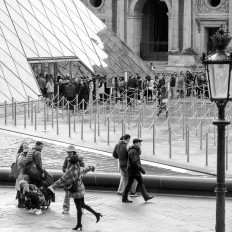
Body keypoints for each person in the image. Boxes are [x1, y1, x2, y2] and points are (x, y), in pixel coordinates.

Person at [48, 156, 102, 231]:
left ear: (70, 162)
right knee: (82, 205)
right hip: (81, 188)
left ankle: (79, 224)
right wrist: (93, 167)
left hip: (76, 191)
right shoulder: (79, 168)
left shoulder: (70, 172)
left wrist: (52, 186)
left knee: (78, 208)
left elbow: (62, 180)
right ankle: (96, 214)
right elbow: (87, 168)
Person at [122, 139, 154, 203]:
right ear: (136, 143)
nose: (140, 144)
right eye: (139, 143)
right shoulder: (133, 151)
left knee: (141, 182)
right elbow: (135, 162)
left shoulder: (135, 150)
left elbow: (136, 162)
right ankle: (124, 198)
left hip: (135, 170)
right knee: (129, 184)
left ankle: (146, 197)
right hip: (133, 170)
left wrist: (139, 169)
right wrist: (141, 169)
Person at [62, 145, 85, 214]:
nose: (69, 154)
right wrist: (67, 171)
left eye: (70, 152)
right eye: (68, 152)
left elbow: (83, 168)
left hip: (77, 180)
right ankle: (65, 208)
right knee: (67, 193)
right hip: (69, 180)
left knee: (80, 194)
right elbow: (63, 168)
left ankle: (81, 208)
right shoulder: (67, 159)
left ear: (74, 152)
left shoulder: (79, 159)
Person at [15, 142, 29, 208]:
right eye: (25, 146)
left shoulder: (20, 155)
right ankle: (20, 203)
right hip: (21, 175)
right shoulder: (21, 157)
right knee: (20, 188)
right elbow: (27, 162)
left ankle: (21, 202)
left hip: (20, 174)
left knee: (20, 188)